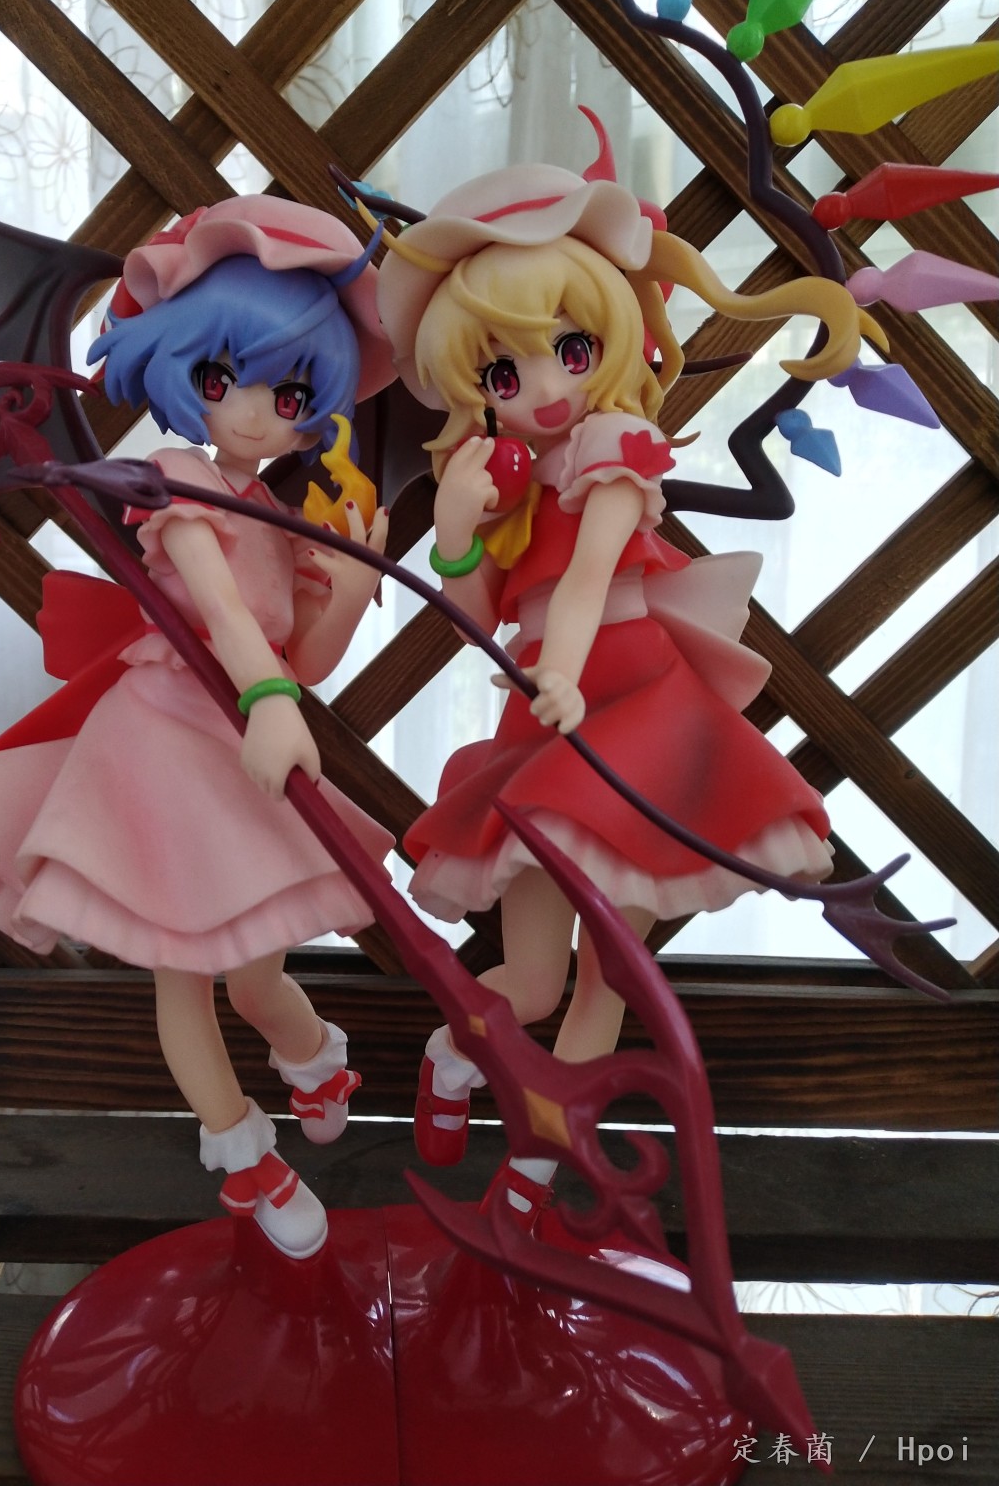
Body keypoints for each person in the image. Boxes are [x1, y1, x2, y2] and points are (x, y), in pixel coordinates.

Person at [0, 196, 395, 1259]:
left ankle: (312, 1053)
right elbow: (226, 616)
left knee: (257, 969)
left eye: (292, 394)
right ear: (181, 372)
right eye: (223, 379)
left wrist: (342, 588)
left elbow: (298, 655)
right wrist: (268, 698)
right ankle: (242, 1151)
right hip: (164, 745)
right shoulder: (179, 482)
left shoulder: (274, 510)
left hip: (243, 748)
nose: (255, 414)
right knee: (180, 971)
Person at [370, 157, 881, 1224]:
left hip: (639, 711)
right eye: (503, 374)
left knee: (612, 975)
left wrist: (558, 668)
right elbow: (481, 615)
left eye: (571, 349)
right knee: (533, 984)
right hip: (548, 724)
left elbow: (593, 575)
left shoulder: (614, 447)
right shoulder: (505, 480)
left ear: (611, 341)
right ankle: (453, 1055)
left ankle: (533, 1177)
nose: (547, 387)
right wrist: (456, 529)